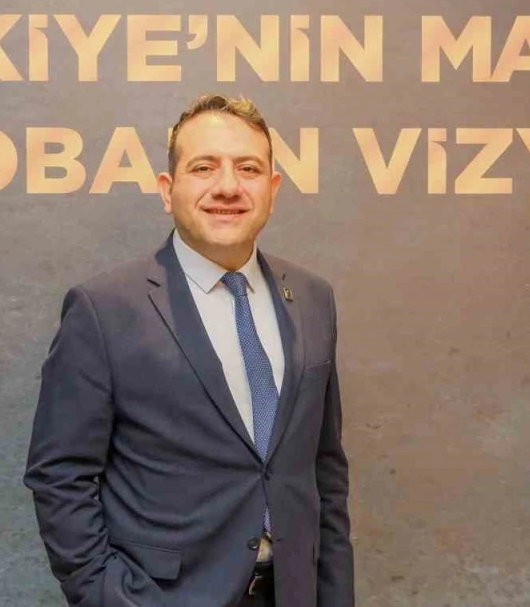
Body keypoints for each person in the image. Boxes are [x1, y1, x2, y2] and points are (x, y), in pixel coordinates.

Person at [25, 94, 355, 606]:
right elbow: (59, 475)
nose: (228, 186)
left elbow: (324, 471)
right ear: (168, 189)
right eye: (204, 167)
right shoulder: (105, 309)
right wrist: (108, 595)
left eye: (248, 168)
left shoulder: (313, 298)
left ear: (272, 189)